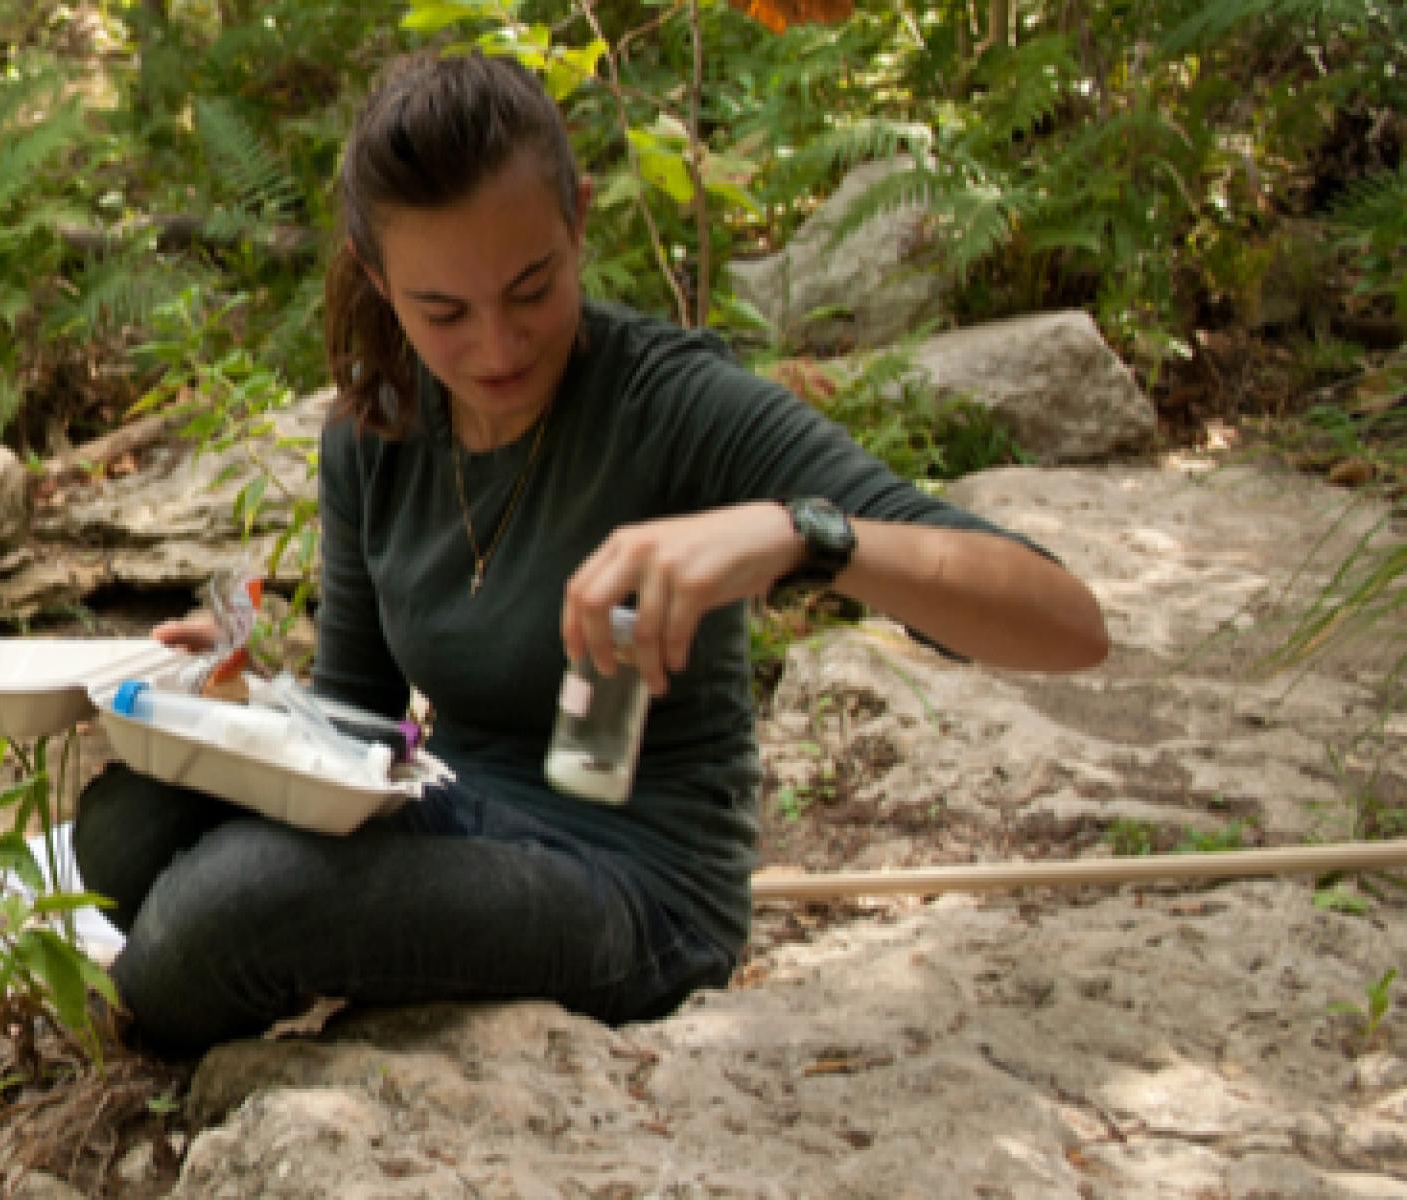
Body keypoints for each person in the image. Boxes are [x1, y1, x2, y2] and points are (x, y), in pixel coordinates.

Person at [72, 51, 1109, 1055]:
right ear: (383, 284)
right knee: (126, 822)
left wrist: (795, 533)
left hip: (637, 890)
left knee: (241, 900)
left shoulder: (672, 403)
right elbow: (360, 727)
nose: (497, 347)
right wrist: (258, 699)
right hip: (453, 814)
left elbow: (1064, 622)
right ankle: (175, 984)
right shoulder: (375, 431)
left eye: (532, 289)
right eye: (444, 312)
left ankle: (127, 1024)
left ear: (576, 222)